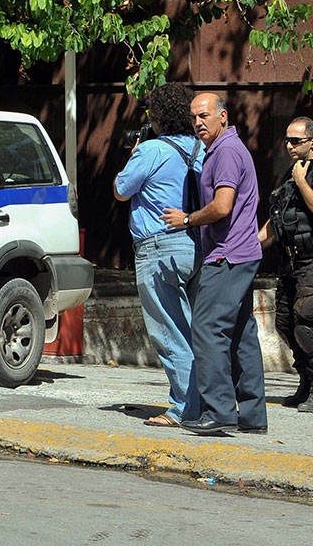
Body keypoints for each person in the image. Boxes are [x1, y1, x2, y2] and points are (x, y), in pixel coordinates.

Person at [161, 92, 267, 435]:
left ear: (223, 116)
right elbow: (250, 198)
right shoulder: (228, 151)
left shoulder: (225, 152)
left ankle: (219, 410)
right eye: (194, 117)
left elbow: (222, 206)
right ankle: (252, 416)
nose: (198, 123)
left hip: (228, 255)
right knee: (240, 333)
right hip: (241, 252)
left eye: (204, 115)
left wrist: (188, 220)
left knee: (206, 329)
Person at [114, 83, 202, 428]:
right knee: (192, 329)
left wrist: (133, 152)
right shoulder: (199, 148)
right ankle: (203, 401)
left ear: (159, 117)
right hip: (193, 245)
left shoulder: (151, 149)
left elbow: (122, 190)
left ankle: (183, 408)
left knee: (168, 330)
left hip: (158, 248)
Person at [258, 116, 313, 412]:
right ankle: (306, 382)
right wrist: (252, 245)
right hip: (290, 262)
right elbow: (276, 220)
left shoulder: (303, 176)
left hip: (311, 260)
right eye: (288, 140)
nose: (290, 145)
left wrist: (303, 181)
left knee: (307, 323)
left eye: (297, 140)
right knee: (286, 324)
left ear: (312, 141)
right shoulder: (290, 177)